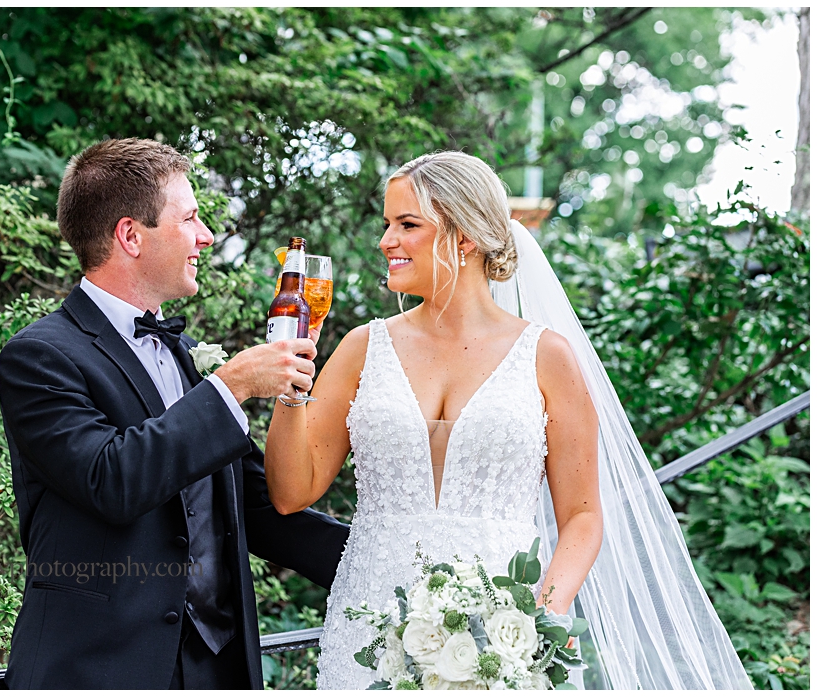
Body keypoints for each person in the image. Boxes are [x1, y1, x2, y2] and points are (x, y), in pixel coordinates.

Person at [263, 151, 749, 689]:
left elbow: (583, 517)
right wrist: (292, 388)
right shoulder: (362, 348)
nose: (385, 241)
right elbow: (291, 492)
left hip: (503, 635)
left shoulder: (546, 356)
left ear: (465, 237)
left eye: (407, 225)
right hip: (371, 620)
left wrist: (537, 619)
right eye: (386, 225)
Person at [0, 138, 350, 689]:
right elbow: (111, 478)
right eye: (190, 219)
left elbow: (248, 504)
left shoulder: (178, 354)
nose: (207, 236)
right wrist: (229, 387)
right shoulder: (39, 356)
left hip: (215, 669)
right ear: (130, 236)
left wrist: (382, 558)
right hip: (100, 670)